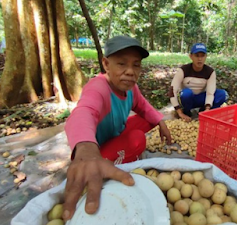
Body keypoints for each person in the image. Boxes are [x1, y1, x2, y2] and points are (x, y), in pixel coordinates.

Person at [62, 35, 172, 221]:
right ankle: (103, 165)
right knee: (138, 138)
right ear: (106, 64)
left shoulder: (130, 88)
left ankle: (114, 153)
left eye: (136, 65)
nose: (130, 71)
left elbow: (142, 106)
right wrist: (87, 151)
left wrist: (161, 121)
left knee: (147, 120)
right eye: (121, 64)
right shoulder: (98, 88)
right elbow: (83, 112)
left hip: (114, 133)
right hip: (93, 152)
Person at [168, 43, 228, 122]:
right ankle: (186, 112)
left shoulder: (210, 72)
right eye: (197, 55)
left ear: (206, 57)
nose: (200, 59)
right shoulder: (183, 70)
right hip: (186, 98)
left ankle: (203, 113)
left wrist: (207, 108)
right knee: (186, 93)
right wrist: (179, 112)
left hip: (201, 98)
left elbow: (210, 92)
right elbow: (172, 91)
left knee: (222, 94)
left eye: (202, 56)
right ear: (191, 56)